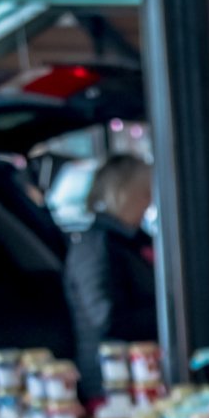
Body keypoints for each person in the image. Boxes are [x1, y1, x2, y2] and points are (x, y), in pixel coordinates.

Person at [63, 154, 156, 400]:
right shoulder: (95, 245)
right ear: (122, 194)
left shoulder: (133, 240)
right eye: (144, 193)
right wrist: (166, 315)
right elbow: (105, 318)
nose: (149, 201)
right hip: (110, 381)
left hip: (139, 372)